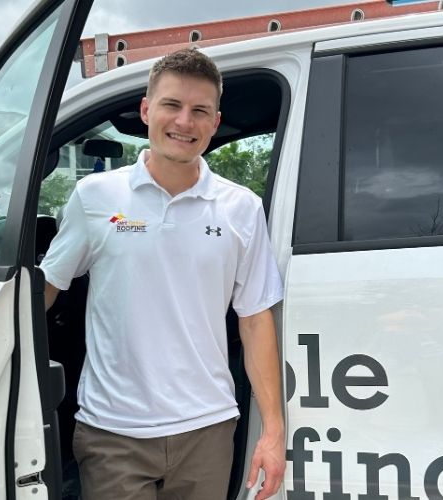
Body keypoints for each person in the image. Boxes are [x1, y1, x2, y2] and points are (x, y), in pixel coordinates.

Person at [41, 48, 285, 500]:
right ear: (146, 109)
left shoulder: (241, 208)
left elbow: (254, 320)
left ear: (215, 122)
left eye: (200, 111)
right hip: (112, 431)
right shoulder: (94, 197)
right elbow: (47, 289)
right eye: (172, 105)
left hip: (207, 429)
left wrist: (273, 432)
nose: (184, 122)